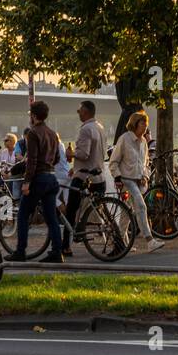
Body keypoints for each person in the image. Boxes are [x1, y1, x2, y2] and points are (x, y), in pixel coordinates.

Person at [6, 100, 65, 264]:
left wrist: (26, 182)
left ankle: (20, 251)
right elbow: (58, 158)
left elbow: (31, 160)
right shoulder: (53, 134)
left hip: (38, 179)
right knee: (51, 217)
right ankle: (57, 252)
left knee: (23, 215)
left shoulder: (33, 133)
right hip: (51, 178)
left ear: (33, 116)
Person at [107, 111, 164, 253]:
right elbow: (113, 161)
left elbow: (146, 163)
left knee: (127, 213)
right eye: (142, 123)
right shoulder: (124, 139)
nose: (145, 126)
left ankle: (120, 242)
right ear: (135, 124)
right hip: (126, 180)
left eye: (146, 123)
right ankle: (150, 241)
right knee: (141, 206)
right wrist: (118, 177)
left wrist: (145, 176)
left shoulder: (144, 142)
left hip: (139, 182)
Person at [60, 101, 106, 256]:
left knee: (71, 210)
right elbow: (95, 154)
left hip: (84, 177)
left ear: (85, 112)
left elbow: (84, 154)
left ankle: (65, 246)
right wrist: (76, 166)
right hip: (99, 175)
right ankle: (117, 239)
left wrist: (71, 154)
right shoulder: (100, 127)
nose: (78, 112)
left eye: (79, 110)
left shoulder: (86, 129)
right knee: (102, 210)